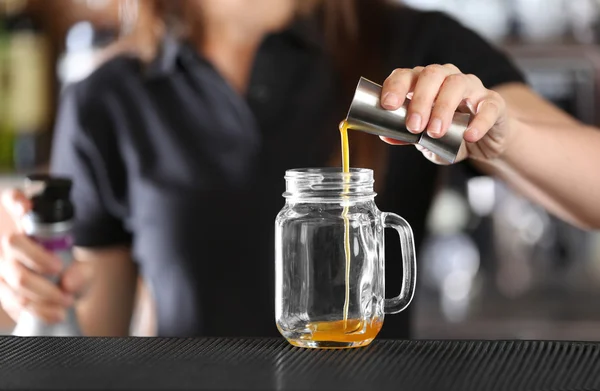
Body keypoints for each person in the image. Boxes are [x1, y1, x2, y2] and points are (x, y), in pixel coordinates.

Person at [1, 0, 599, 338]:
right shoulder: (109, 95)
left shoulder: (413, 44)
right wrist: (31, 284)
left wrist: (504, 136)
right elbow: (94, 338)